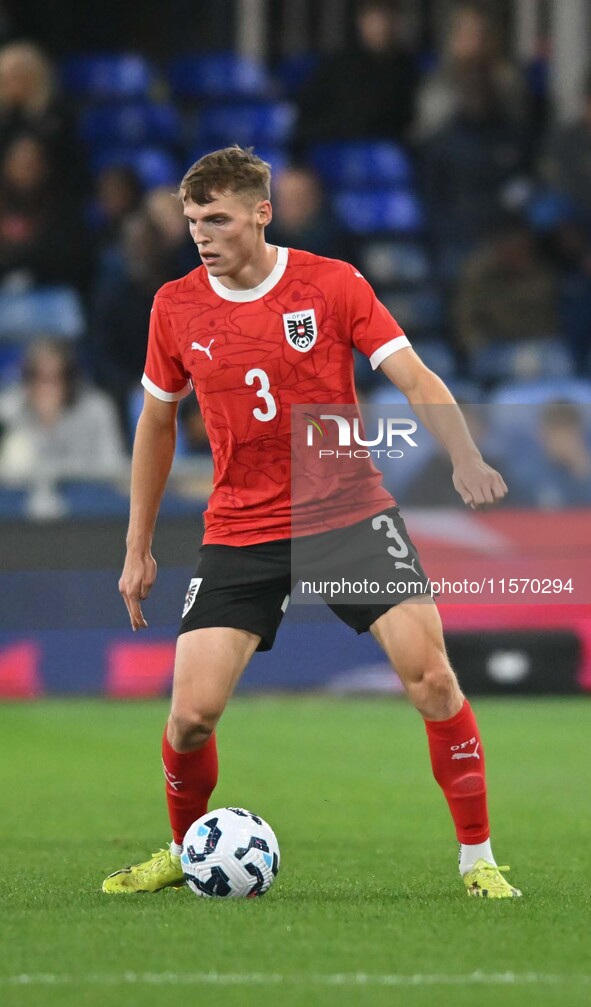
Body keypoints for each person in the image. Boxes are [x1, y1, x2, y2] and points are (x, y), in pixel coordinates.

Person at [102, 146, 521, 899]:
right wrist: (137, 546)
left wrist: (462, 455)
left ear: (261, 212)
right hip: (239, 525)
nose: (201, 233)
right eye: (194, 219)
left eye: (218, 218)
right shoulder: (174, 306)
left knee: (430, 679)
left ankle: (478, 858)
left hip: (347, 514)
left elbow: (415, 375)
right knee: (191, 716)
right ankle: (184, 847)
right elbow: (156, 427)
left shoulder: (330, 283)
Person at [293, 0, 418, 150]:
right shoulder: (337, 65)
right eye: (374, 18)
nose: (382, 26)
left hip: (382, 154)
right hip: (329, 151)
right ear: (361, 21)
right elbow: (306, 116)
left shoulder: (406, 68)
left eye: (388, 17)